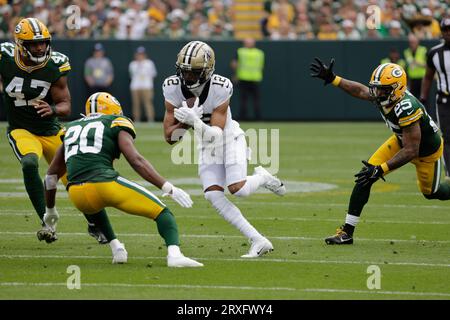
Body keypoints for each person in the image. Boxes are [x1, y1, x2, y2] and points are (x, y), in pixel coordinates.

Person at [42, 92, 203, 267]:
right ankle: (175, 255)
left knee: (94, 205)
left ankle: (117, 248)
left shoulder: (70, 128)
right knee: (163, 213)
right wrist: (168, 187)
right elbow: (136, 160)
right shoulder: (114, 122)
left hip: (77, 195)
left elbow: (50, 177)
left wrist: (50, 211)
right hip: (104, 184)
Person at [163, 41, 286, 258]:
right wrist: (186, 122)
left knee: (238, 189)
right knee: (213, 195)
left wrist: (196, 121)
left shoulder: (221, 86)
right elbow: (170, 137)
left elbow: (217, 133)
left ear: (208, 70)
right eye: (184, 72)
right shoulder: (172, 86)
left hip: (229, 139)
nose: (188, 77)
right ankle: (258, 240)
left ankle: (263, 177)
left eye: (194, 73)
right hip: (205, 145)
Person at [310, 57, 450, 244]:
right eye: (376, 87)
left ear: (396, 89)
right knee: (365, 176)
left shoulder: (406, 107)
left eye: (382, 88)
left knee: (432, 193)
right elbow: (360, 90)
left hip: (425, 152)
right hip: (402, 141)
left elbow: (411, 151)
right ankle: (346, 232)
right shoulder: (385, 95)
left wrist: (381, 169)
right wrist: (334, 79)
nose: (376, 92)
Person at [0, 18, 109, 244]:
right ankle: (46, 222)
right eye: (34, 44)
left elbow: (66, 106)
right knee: (30, 163)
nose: (40, 47)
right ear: (20, 44)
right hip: (21, 129)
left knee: (78, 176)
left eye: (43, 42)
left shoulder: (55, 65)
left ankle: (95, 223)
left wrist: (52, 108)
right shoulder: (5, 58)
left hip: (50, 131)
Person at [420, 17, 450, 179]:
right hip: (445, 100)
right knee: (447, 136)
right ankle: (449, 172)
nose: (448, 33)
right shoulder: (434, 53)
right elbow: (428, 77)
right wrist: (423, 98)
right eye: (445, 29)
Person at [230, 38, 265, 121]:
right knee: (246, 100)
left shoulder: (241, 51)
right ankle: (251, 118)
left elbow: (234, 64)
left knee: (250, 100)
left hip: (249, 78)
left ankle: (253, 117)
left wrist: (235, 74)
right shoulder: (259, 53)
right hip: (246, 78)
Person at [129, 46, 157, 122]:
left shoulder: (149, 63)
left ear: (144, 55)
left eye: (141, 54)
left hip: (147, 86)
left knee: (148, 103)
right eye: (138, 54)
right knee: (136, 104)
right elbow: (132, 75)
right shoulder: (133, 64)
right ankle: (136, 119)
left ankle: (150, 119)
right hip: (135, 87)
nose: (140, 56)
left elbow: (153, 74)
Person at [404, 33, 427, 98]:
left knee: (423, 98)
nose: (412, 44)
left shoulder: (423, 50)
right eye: (410, 42)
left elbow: (428, 65)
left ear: (417, 42)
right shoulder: (407, 52)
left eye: (413, 42)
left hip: (422, 79)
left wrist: (418, 63)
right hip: (412, 80)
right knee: (413, 98)